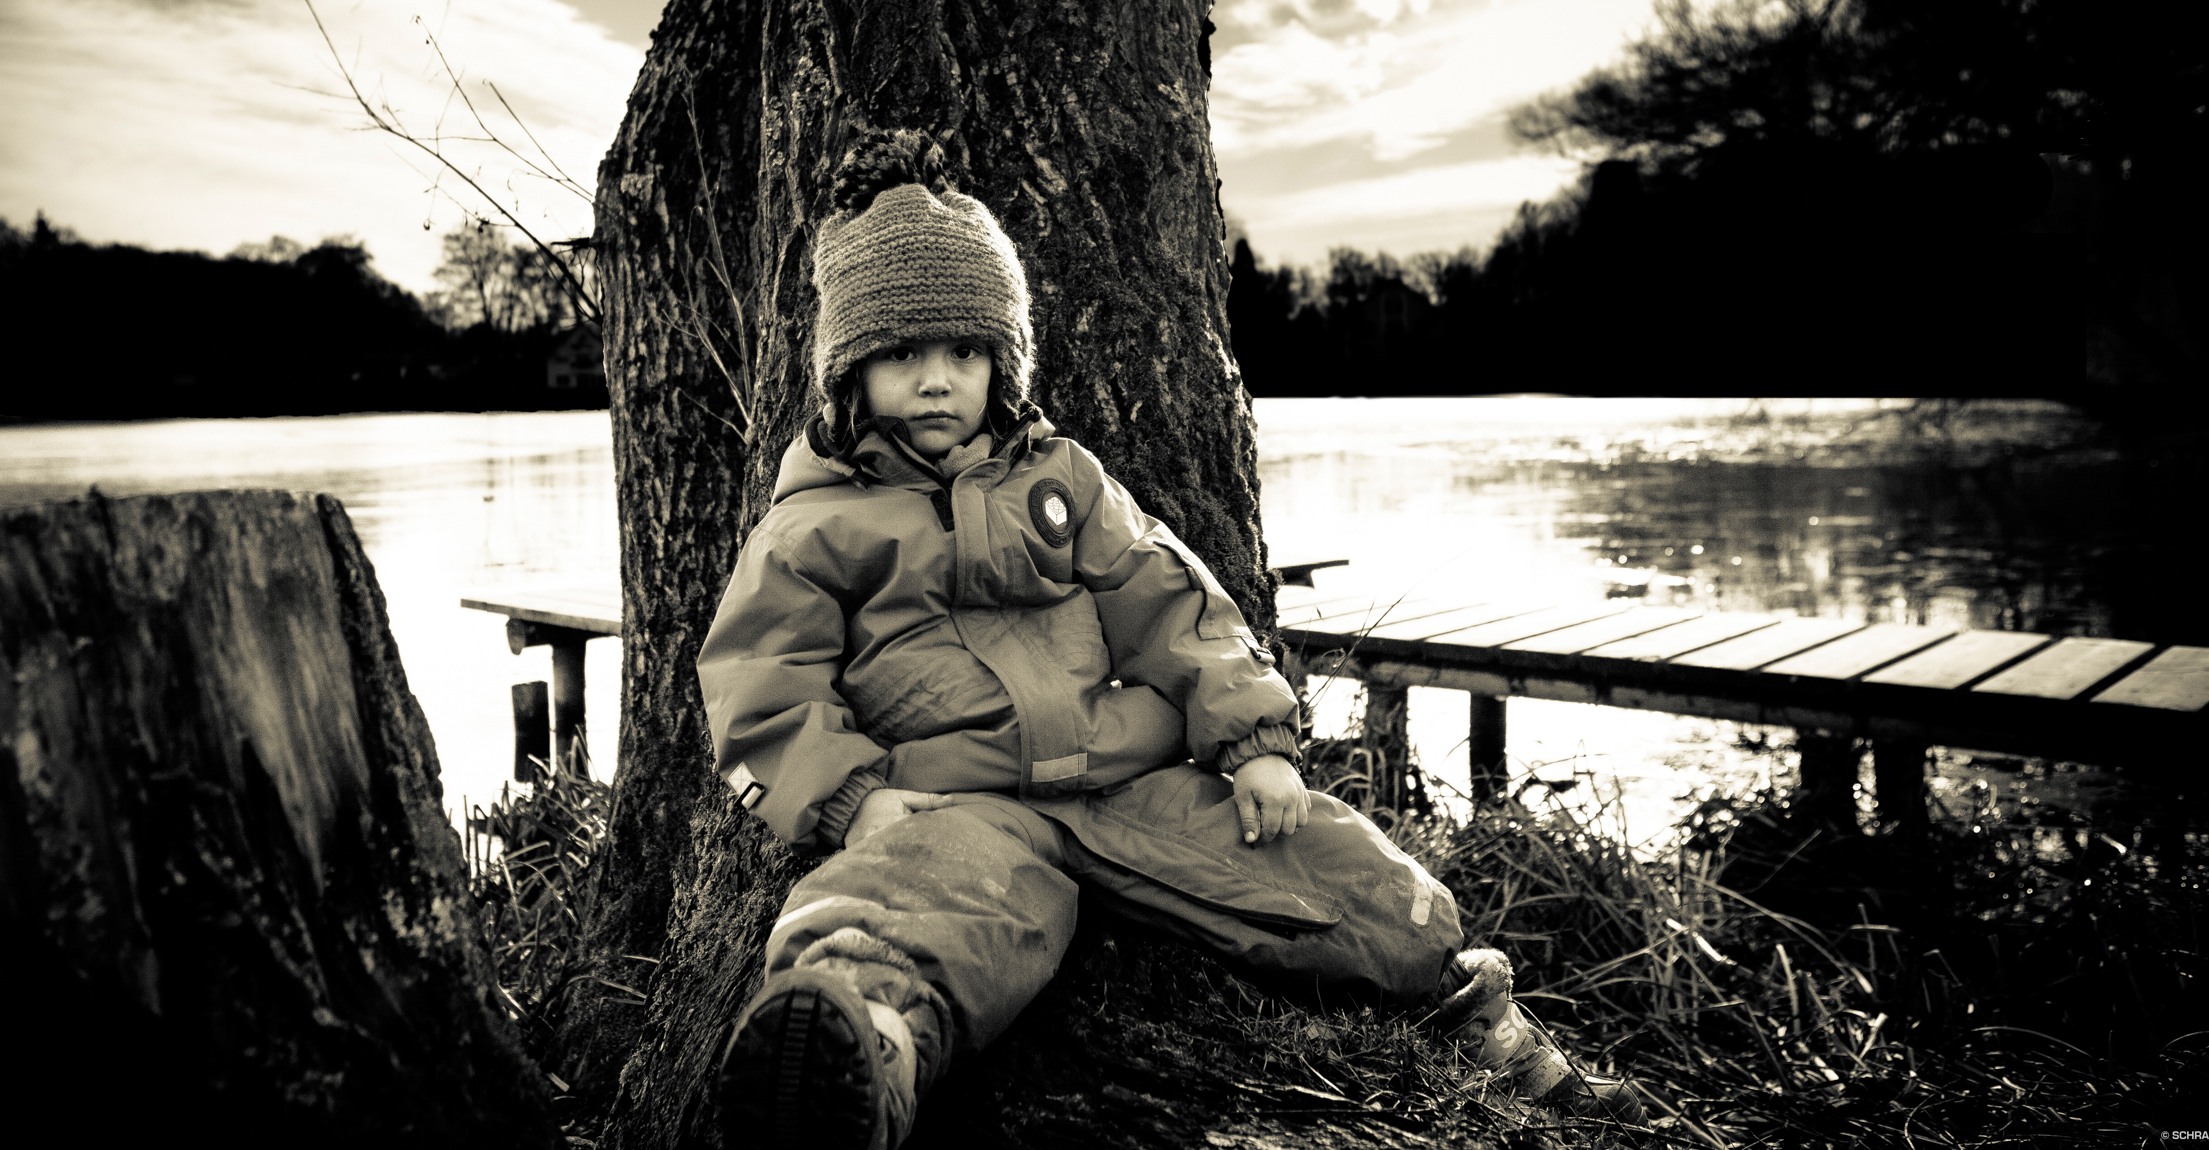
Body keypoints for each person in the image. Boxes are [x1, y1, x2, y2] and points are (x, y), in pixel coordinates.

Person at [699, 129, 1642, 1150]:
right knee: (915, 904)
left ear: (1001, 361)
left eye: (964, 352)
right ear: (849, 370)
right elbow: (761, 681)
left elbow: (1172, 604)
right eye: (902, 354)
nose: (937, 380)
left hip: (1123, 778)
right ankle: (858, 1053)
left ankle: (1486, 1029)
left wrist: (1253, 740)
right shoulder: (815, 526)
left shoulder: (1061, 480)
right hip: (959, 800)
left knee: (1340, 870)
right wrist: (854, 799)